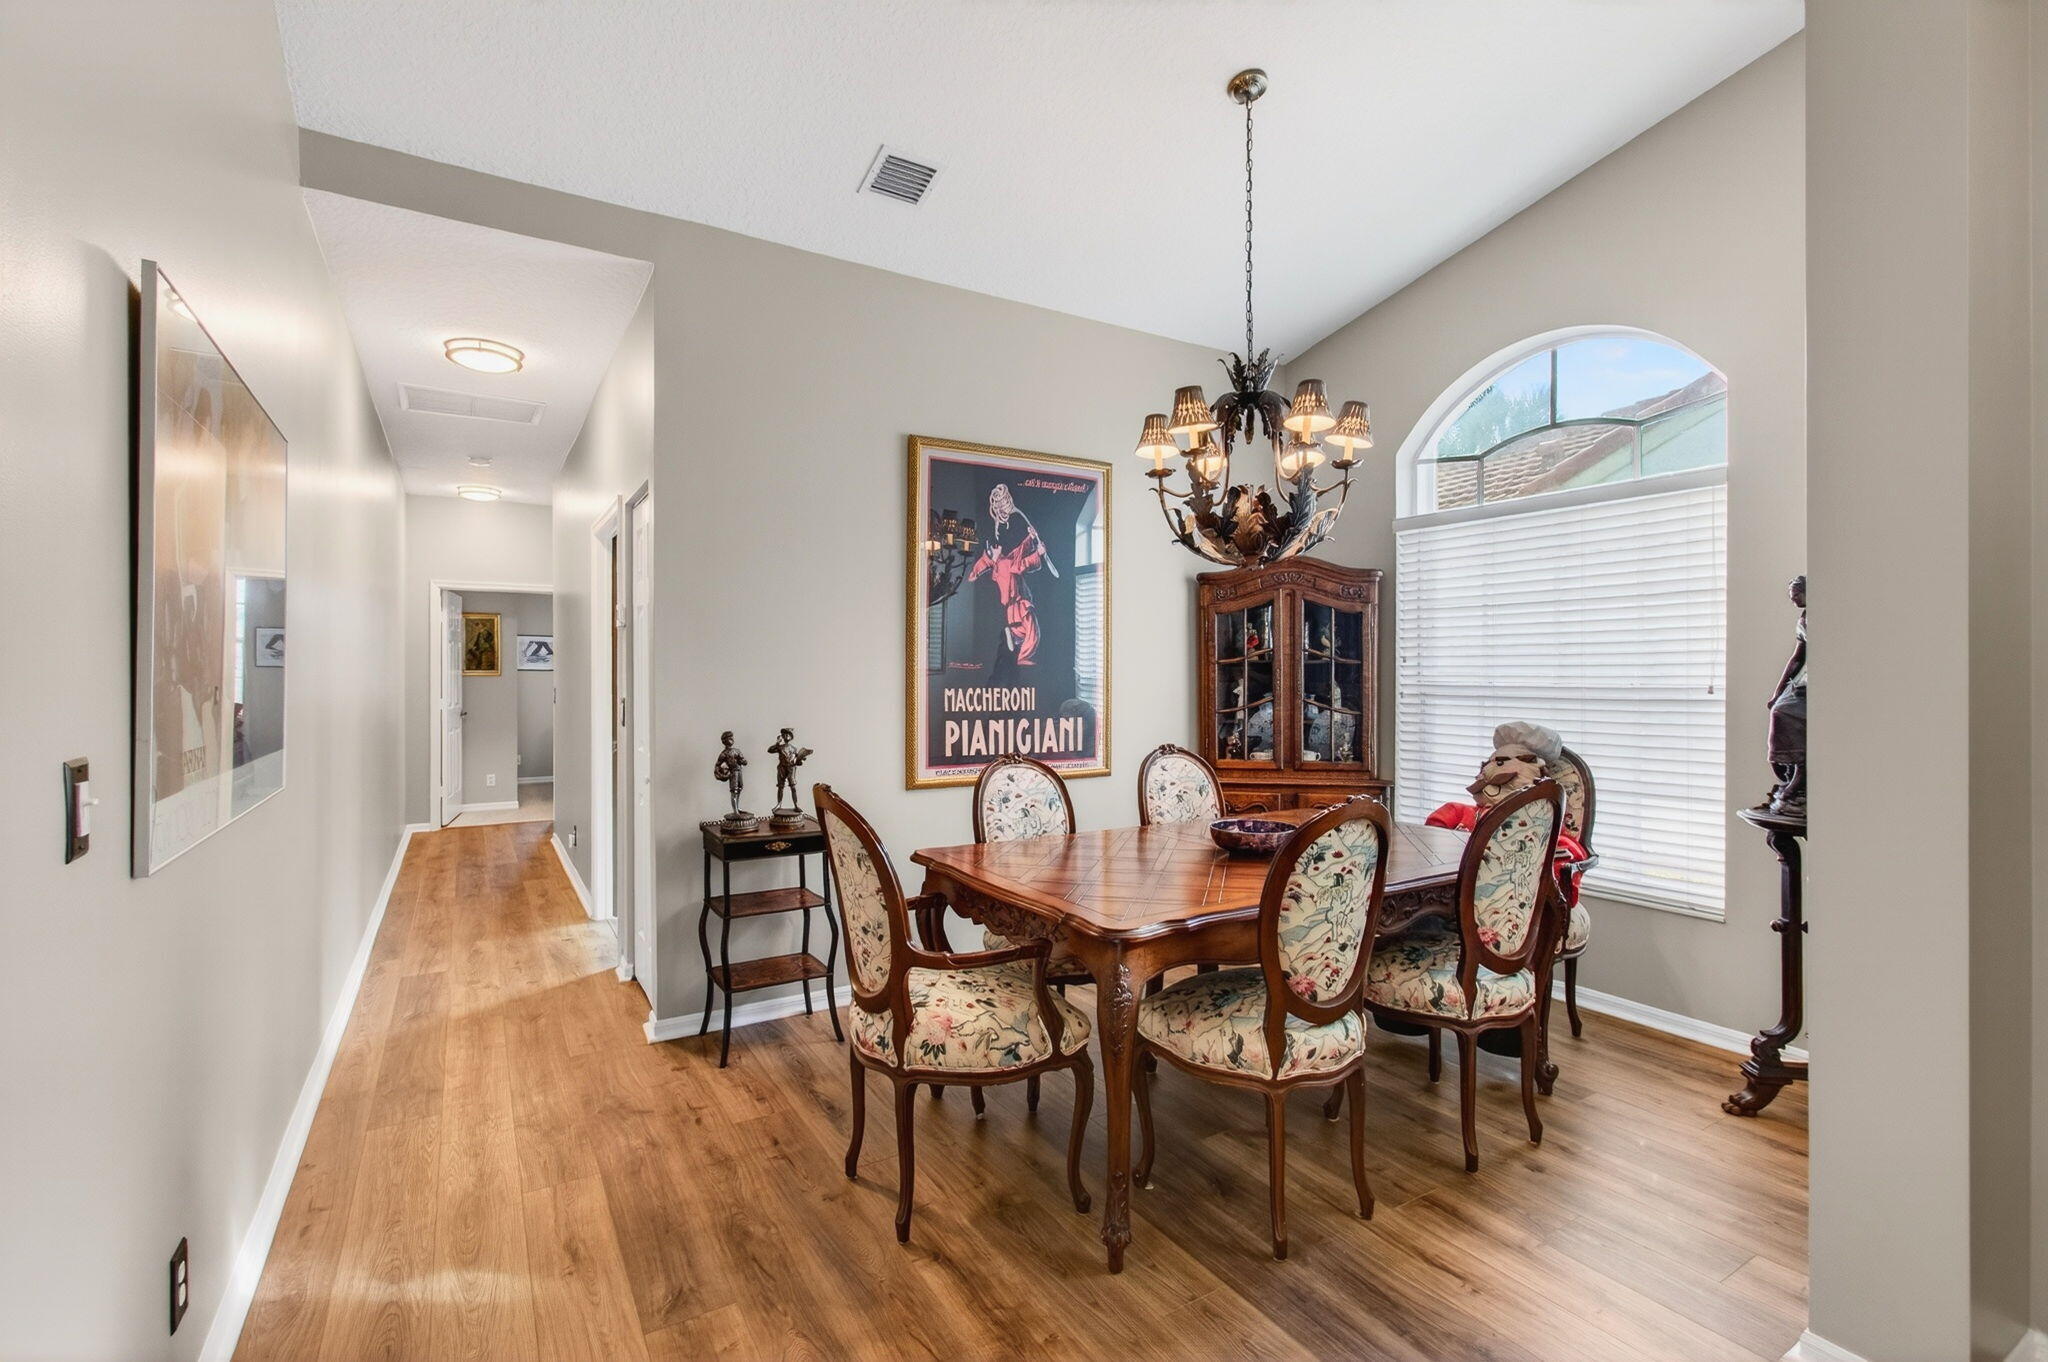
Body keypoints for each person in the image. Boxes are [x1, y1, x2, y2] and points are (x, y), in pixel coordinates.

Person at [965, 483, 1050, 669]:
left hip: (1012, 608)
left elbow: (1018, 553)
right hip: (1018, 604)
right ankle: (1022, 655)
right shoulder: (1003, 565)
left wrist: (1030, 539)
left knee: (1021, 629)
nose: (998, 547)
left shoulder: (1000, 563)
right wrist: (1039, 554)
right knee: (1032, 631)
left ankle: (1014, 638)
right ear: (992, 553)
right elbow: (1021, 565)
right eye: (994, 548)